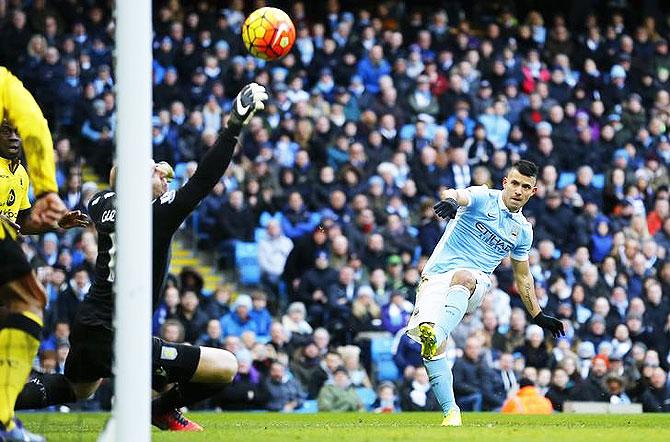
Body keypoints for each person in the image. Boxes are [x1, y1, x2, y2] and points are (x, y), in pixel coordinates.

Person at [16, 83, 269, 432]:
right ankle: (160, 411)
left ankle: (7, 395)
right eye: (155, 172)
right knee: (225, 365)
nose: (163, 175)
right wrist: (233, 127)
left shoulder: (104, 204)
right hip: (117, 334)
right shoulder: (155, 216)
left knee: (77, 388)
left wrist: (148, 170)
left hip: (89, 326)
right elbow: (204, 179)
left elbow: (114, 187)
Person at [406, 159, 564, 426]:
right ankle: (451, 413)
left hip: (474, 280)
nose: (518, 190)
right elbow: (456, 193)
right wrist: (452, 202)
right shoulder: (482, 196)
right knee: (431, 347)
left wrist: (537, 315)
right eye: (514, 183)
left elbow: (523, 276)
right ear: (505, 183)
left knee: (463, 278)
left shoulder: (523, 230)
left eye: (525, 186)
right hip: (435, 276)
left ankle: (438, 331)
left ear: (533, 192)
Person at [0, 66, 77, 442]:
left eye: (15, 131)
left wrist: (53, 222)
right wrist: (51, 188)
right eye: (5, 130)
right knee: (27, 300)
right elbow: (34, 123)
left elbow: (19, 219)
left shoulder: (18, 175)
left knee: (23, 304)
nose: (13, 137)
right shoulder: (5, 84)